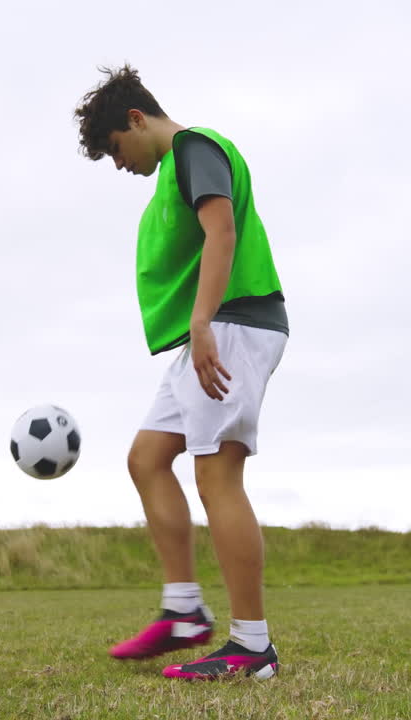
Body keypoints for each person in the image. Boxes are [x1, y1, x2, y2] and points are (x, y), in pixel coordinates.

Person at [73, 65, 289, 681]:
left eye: (116, 148)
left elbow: (220, 230)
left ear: (137, 120)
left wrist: (201, 324)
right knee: (145, 458)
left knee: (217, 474)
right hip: (208, 329)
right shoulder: (171, 170)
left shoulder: (196, 148)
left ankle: (252, 647)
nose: (118, 164)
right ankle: (185, 610)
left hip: (230, 326)